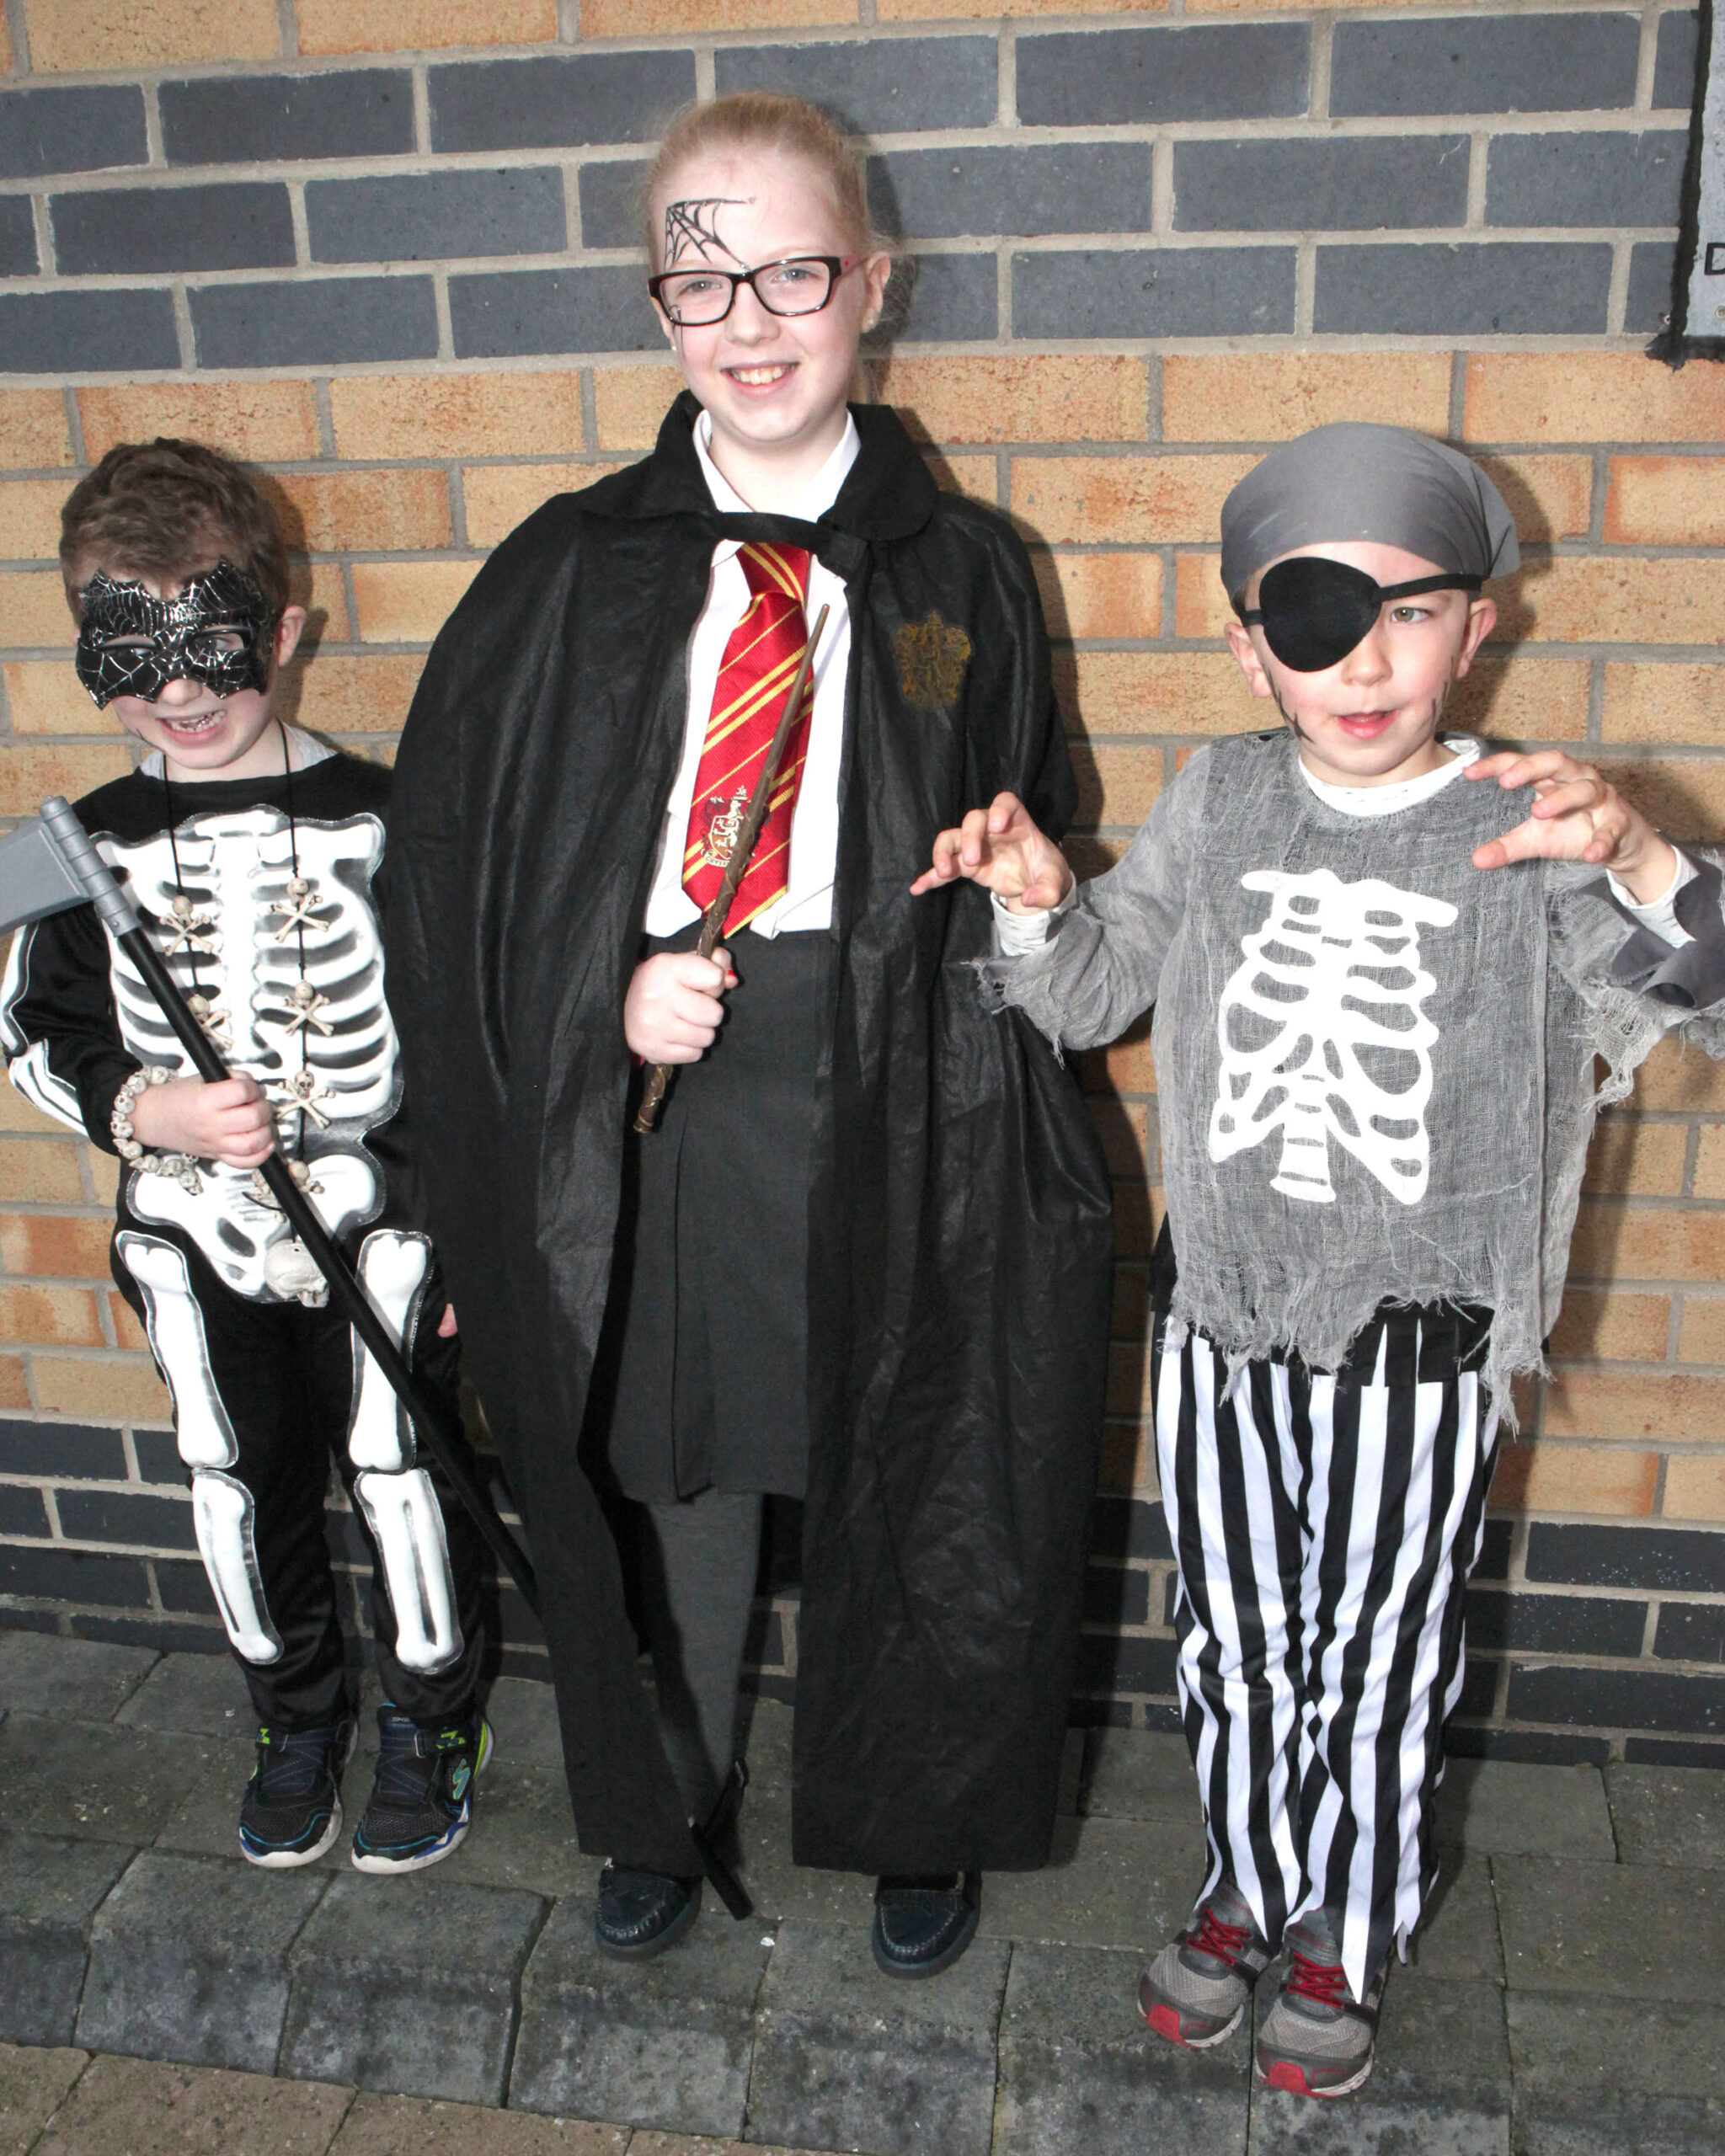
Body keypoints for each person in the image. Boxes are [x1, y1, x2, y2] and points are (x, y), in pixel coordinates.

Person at [384, 91, 1114, 1975]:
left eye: (792, 272)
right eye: (699, 283)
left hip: (903, 1073)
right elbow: (462, 874)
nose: (750, 320)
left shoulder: (966, 567)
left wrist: (1022, 868)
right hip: (656, 1094)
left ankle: (918, 1808)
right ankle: (669, 1784)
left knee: (910, 1434)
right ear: (658, 307)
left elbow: (1027, 807)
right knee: (673, 1455)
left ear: (872, 285)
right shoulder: (567, 567)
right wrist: (599, 996)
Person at [916, 420, 1725, 2089]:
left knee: (1380, 1655)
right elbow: (1091, 990)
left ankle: (1348, 1920)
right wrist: (1033, 898)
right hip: (1221, 1323)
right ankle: (1246, 1877)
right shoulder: (1221, 795)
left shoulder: (1527, 824)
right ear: (1247, 646)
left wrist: (1642, 855)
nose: (1362, 662)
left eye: (1408, 613)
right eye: (1313, 620)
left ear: (1476, 628)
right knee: (1232, 1637)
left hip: (1418, 1346)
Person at [3, 439, 491, 1875]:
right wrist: (141, 1111)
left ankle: (433, 1721)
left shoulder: (395, 819)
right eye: (129, 655)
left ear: (281, 632)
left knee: (401, 1467)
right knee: (233, 1473)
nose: (175, 692)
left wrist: (466, 1239)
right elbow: (31, 1024)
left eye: (208, 648)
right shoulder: (70, 848)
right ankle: (293, 1718)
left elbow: (471, 1048)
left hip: (376, 1223)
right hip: (190, 1226)